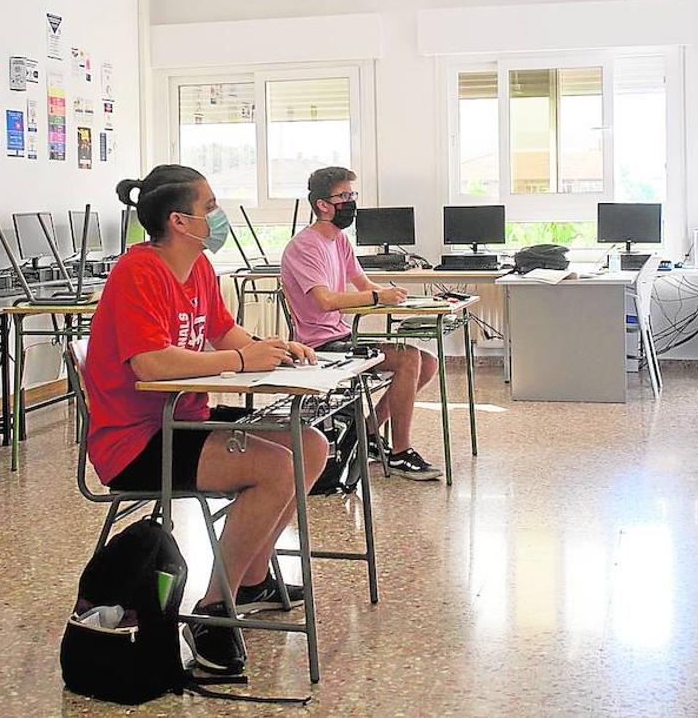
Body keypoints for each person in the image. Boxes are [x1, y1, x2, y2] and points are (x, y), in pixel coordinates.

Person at [84, 164, 327, 675]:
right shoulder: (137, 273)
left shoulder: (198, 269)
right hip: (136, 442)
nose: (217, 217)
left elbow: (223, 332)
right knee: (275, 469)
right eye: (209, 207)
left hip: (185, 418)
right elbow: (151, 363)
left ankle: (253, 578)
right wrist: (242, 362)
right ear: (179, 221)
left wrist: (271, 348)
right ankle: (214, 610)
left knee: (310, 445)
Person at [280, 166, 442, 481]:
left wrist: (399, 296)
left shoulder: (338, 240)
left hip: (341, 334)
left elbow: (362, 282)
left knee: (428, 361)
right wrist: (379, 300)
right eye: (344, 196)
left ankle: (366, 434)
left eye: (352, 195)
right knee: (408, 358)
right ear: (322, 205)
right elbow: (325, 300)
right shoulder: (305, 246)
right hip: (320, 345)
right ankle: (399, 453)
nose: (351, 202)